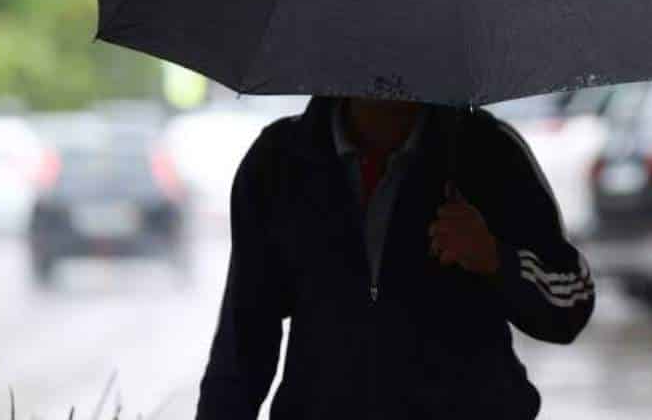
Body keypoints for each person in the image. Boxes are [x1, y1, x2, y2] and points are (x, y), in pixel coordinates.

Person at [196, 95, 594, 420]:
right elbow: (244, 336)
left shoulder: (488, 151)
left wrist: (496, 258)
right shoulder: (279, 161)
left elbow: (571, 304)